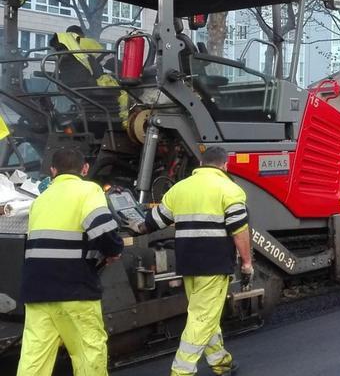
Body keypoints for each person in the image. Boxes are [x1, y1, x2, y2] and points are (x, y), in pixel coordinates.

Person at [142, 146, 252, 376]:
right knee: (202, 317)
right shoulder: (230, 190)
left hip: (187, 263)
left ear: (201, 164)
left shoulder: (179, 189)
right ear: (225, 165)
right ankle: (182, 371)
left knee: (203, 313)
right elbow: (239, 231)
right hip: (214, 264)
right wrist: (247, 263)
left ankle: (221, 361)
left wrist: (132, 226)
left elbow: (154, 222)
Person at [16, 148, 123, 376]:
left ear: (52, 171)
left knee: (34, 357)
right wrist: (114, 250)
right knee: (88, 351)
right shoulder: (88, 190)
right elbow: (103, 228)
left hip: (36, 291)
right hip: (75, 289)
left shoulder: (39, 200)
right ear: (85, 169)